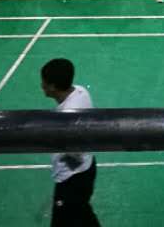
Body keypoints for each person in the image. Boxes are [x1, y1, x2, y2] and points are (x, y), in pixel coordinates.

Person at [41, 58, 101, 226]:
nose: (41, 85)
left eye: (44, 82)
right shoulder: (81, 91)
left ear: (53, 87)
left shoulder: (65, 118)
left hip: (72, 179)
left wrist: (56, 139)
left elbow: (76, 152)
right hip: (88, 168)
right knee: (83, 214)